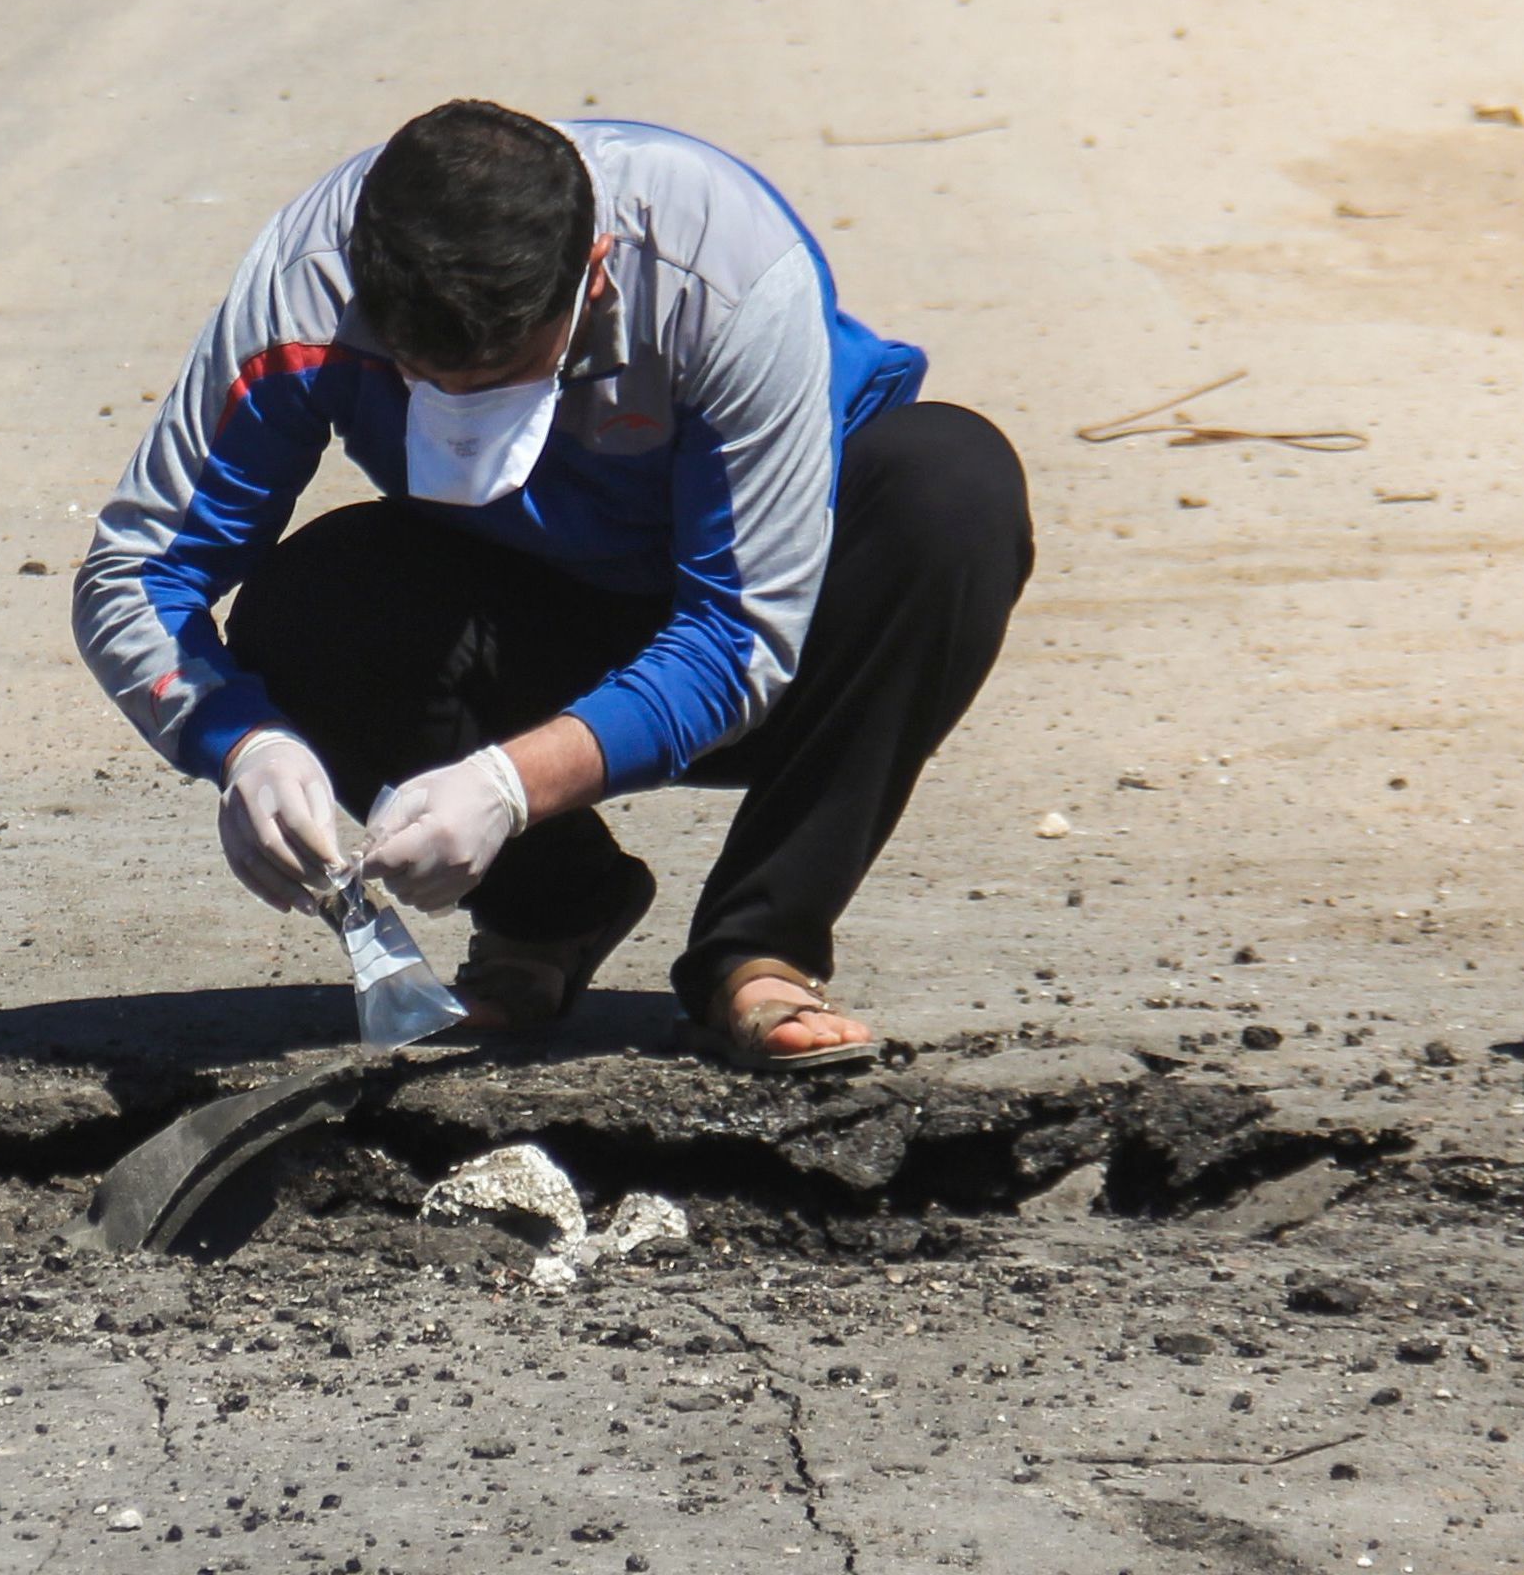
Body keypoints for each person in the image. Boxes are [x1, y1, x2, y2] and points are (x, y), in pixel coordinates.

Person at [74, 104, 1031, 1072]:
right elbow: (137, 571)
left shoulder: (725, 273)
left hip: (775, 637)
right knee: (316, 596)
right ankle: (550, 912)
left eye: (510, 371)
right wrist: (242, 743)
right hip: (525, 610)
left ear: (597, 267)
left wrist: (507, 785)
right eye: (428, 377)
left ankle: (759, 945)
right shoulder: (304, 291)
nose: (467, 407)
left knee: (950, 488)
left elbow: (739, 635)